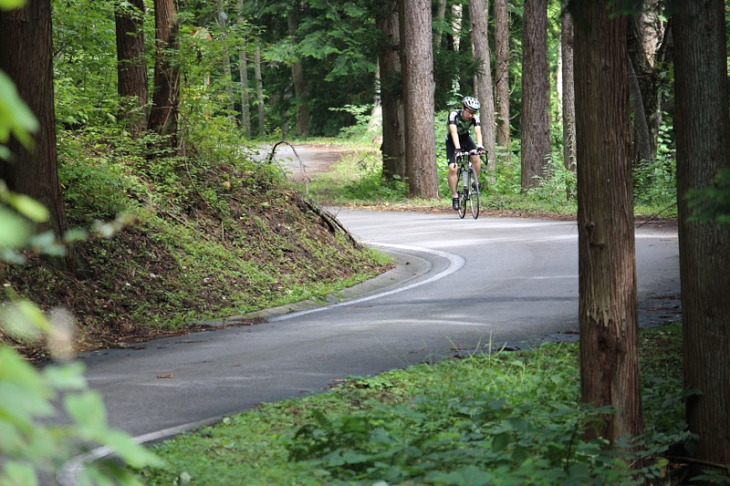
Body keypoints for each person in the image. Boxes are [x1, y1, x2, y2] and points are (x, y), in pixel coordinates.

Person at [445, 96, 485, 210]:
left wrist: (480, 146)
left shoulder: (475, 118)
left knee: (476, 157)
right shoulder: (454, 115)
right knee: (453, 168)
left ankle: (474, 181)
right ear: (463, 108)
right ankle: (455, 196)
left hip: (466, 139)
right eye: (469, 112)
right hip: (452, 141)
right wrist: (457, 149)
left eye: (474, 112)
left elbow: (478, 132)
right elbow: (453, 132)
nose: (471, 115)